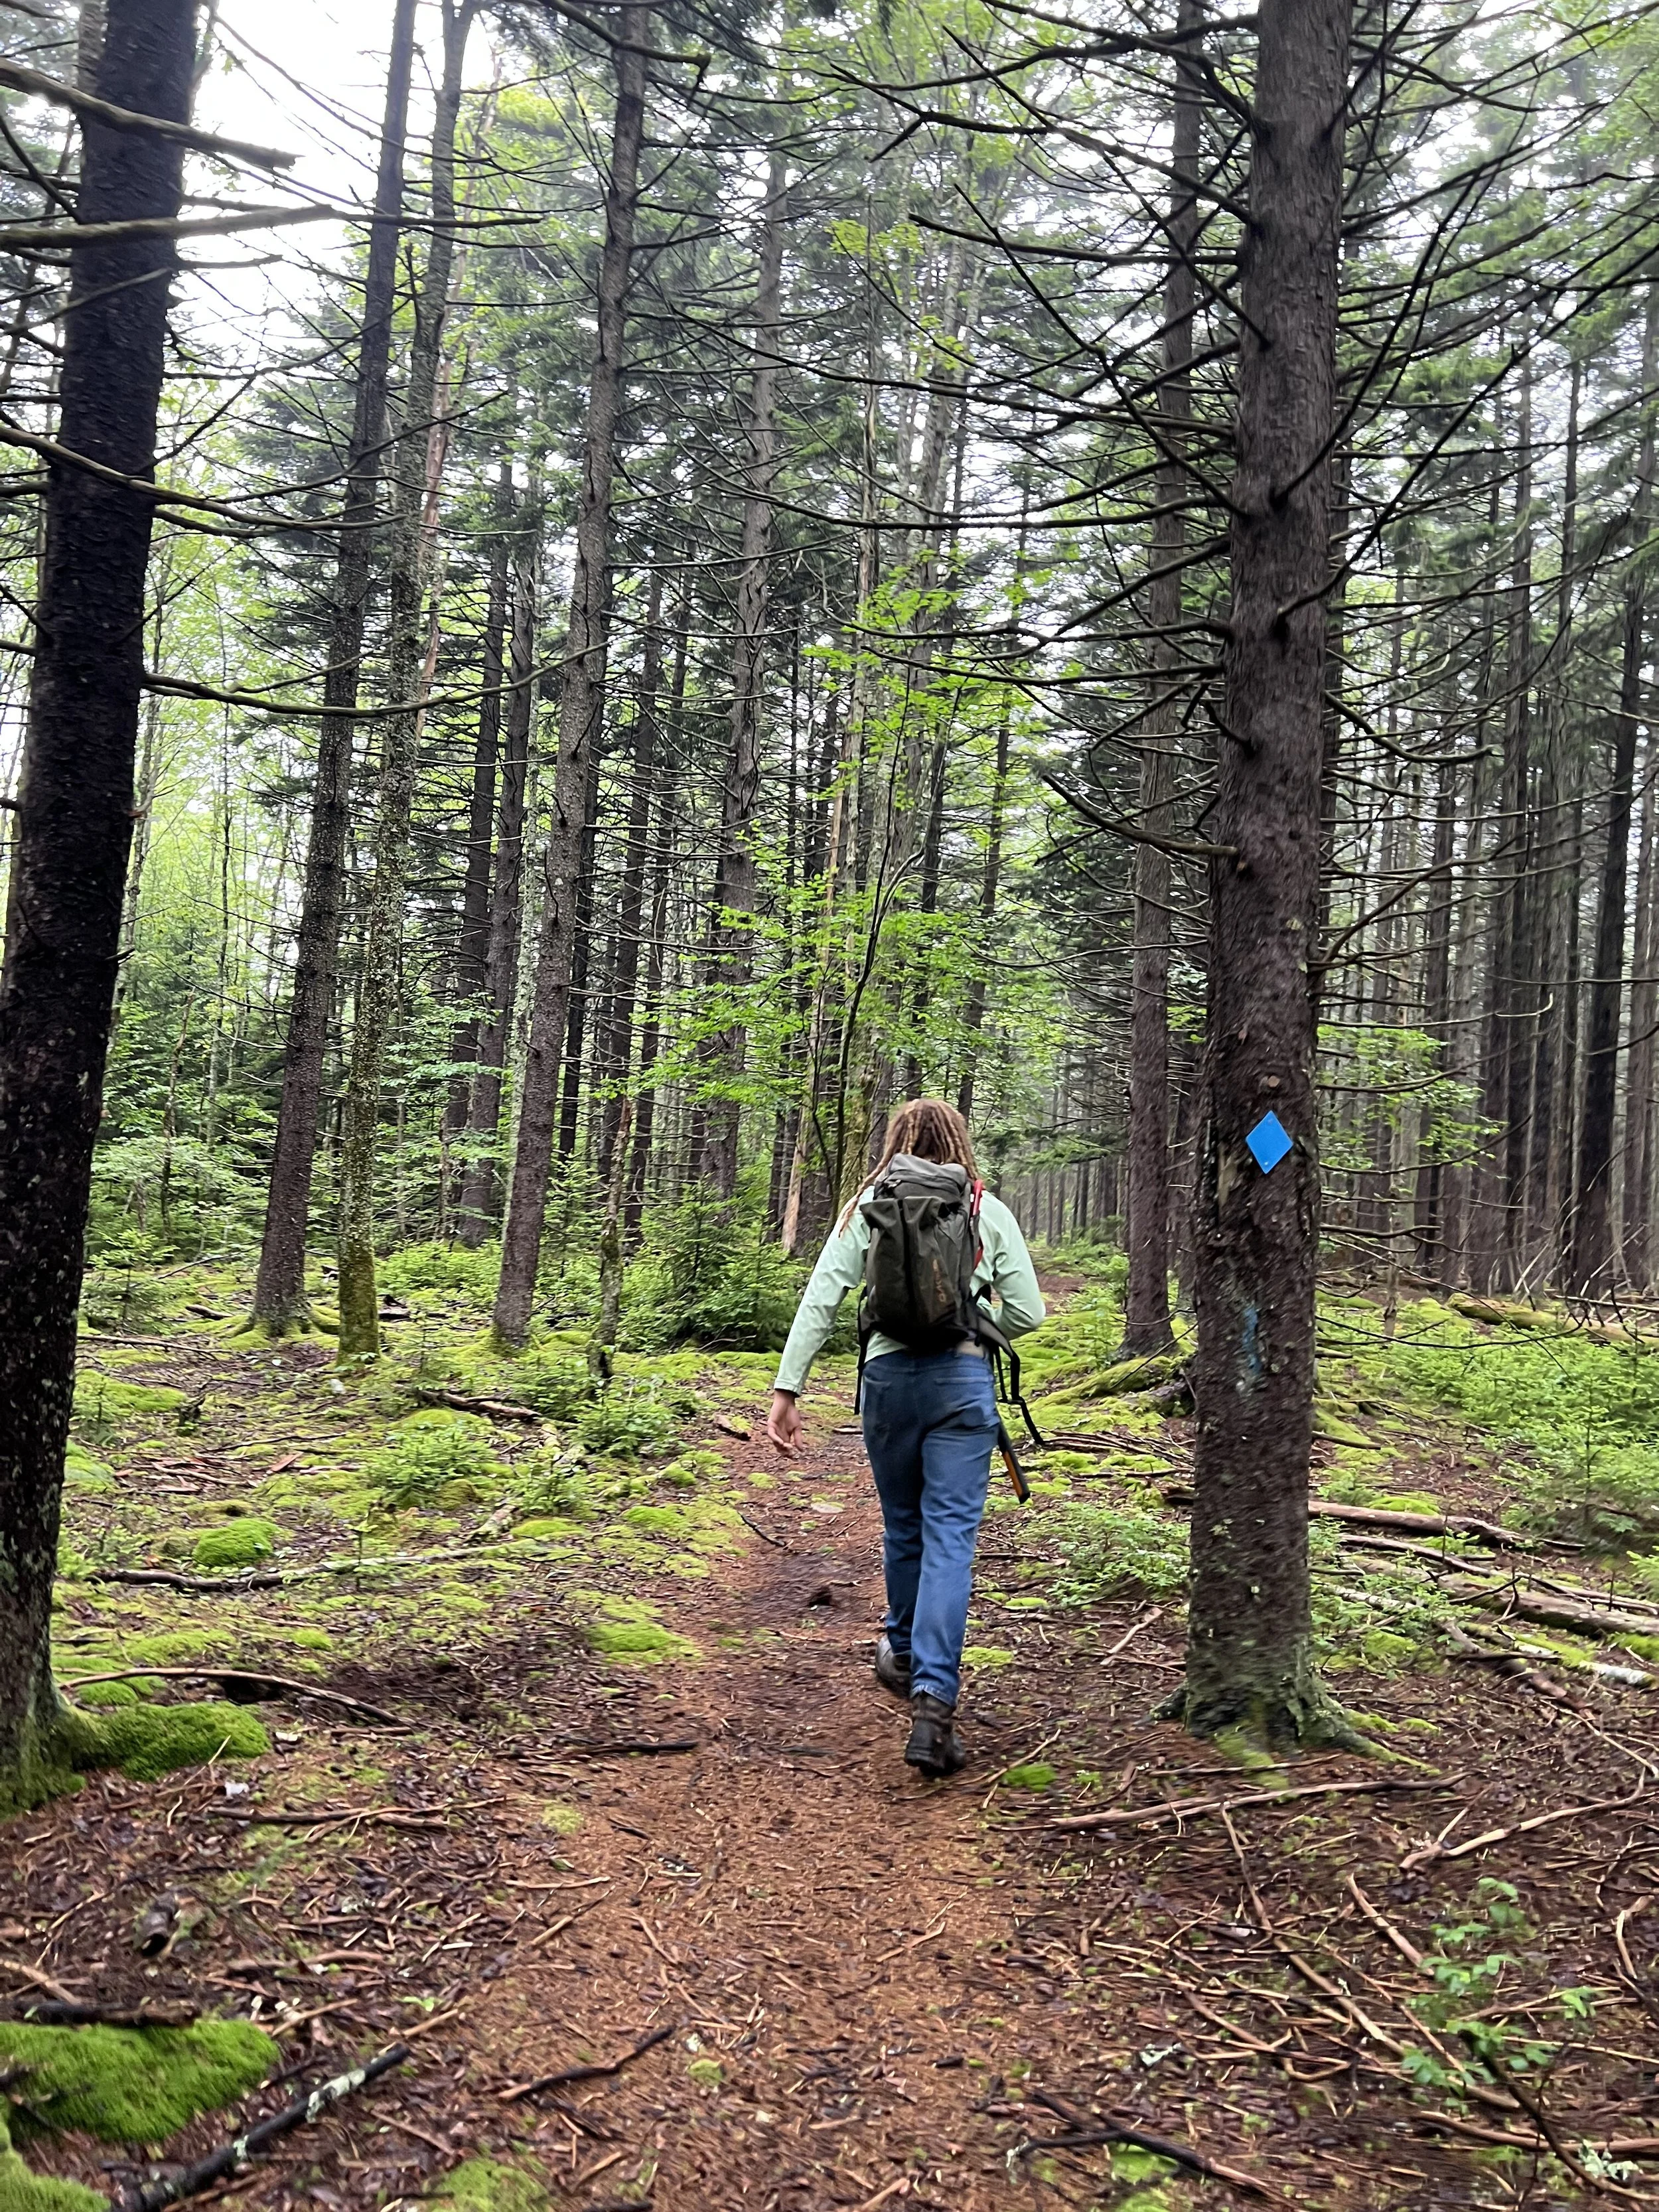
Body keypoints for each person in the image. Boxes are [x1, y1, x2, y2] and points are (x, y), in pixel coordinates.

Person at [766, 1098, 1045, 1777]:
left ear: (897, 1142)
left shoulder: (869, 1201)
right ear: (957, 1142)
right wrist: (976, 1324)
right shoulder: (982, 1206)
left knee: (903, 1527)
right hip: (962, 1382)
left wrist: (787, 1389)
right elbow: (1031, 1313)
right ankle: (934, 1704)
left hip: (888, 1380)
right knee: (951, 1536)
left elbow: (822, 1297)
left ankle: (899, 1653)